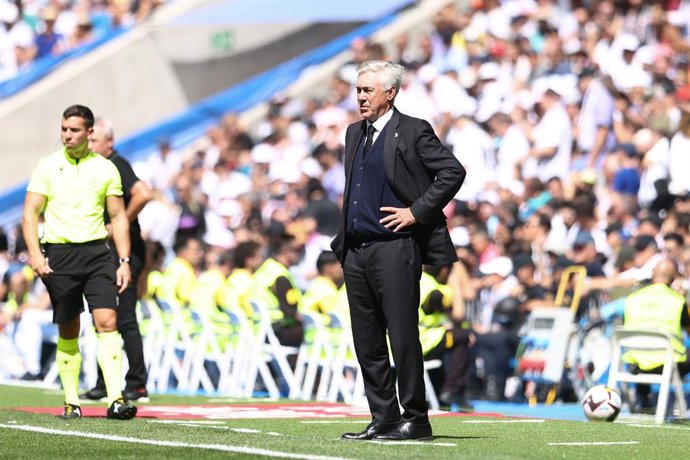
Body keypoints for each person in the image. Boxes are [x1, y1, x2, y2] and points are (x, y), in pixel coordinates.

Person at [331, 60, 465, 441]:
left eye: (367, 90)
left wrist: (416, 212)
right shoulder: (354, 133)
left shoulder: (412, 130)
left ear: (390, 93)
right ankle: (384, 417)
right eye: (358, 90)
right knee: (367, 340)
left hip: (395, 247)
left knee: (403, 336)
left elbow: (452, 171)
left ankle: (416, 417)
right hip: (356, 250)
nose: (360, 97)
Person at [21, 105, 137, 420]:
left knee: (107, 323)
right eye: (64, 129)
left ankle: (116, 398)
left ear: (89, 133)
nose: (67, 136)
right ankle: (72, 401)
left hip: (98, 254)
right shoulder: (46, 166)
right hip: (60, 256)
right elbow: (30, 214)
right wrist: (35, 254)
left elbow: (118, 216)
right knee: (70, 329)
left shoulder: (105, 169)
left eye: (74, 130)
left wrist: (124, 260)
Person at [81, 118, 152, 402]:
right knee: (105, 316)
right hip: (111, 251)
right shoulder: (100, 167)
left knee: (123, 317)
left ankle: (136, 383)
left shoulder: (116, 164)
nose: (90, 145)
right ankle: (106, 381)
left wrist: (118, 224)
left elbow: (144, 193)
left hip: (125, 251)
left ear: (109, 142)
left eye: (94, 140)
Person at [622, 258, 690, 411]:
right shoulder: (677, 301)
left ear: (653, 274)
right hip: (667, 364)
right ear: (674, 279)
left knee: (643, 345)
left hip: (635, 364)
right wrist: (683, 297)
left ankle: (643, 398)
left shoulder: (632, 299)